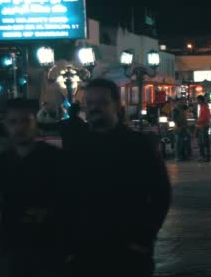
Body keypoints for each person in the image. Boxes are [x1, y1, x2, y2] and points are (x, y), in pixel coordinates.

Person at [67, 79, 171, 277]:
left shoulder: (137, 144)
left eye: (102, 102)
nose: (94, 108)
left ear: (116, 105)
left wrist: (143, 239)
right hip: (85, 249)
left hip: (127, 248)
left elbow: (160, 193)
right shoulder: (78, 146)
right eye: (89, 103)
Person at [0, 98, 69, 277]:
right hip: (12, 242)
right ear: (6, 125)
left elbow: (71, 197)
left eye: (25, 121)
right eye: (13, 122)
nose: (20, 128)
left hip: (49, 243)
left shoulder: (56, 159)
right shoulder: (4, 161)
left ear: (35, 122)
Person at [195, 94, 211, 162]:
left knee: (203, 142)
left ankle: (205, 157)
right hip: (203, 126)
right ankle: (204, 156)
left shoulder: (204, 107)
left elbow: (206, 117)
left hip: (203, 126)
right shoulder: (203, 107)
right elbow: (209, 116)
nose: (197, 102)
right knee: (203, 142)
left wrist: (198, 121)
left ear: (200, 100)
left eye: (197, 100)